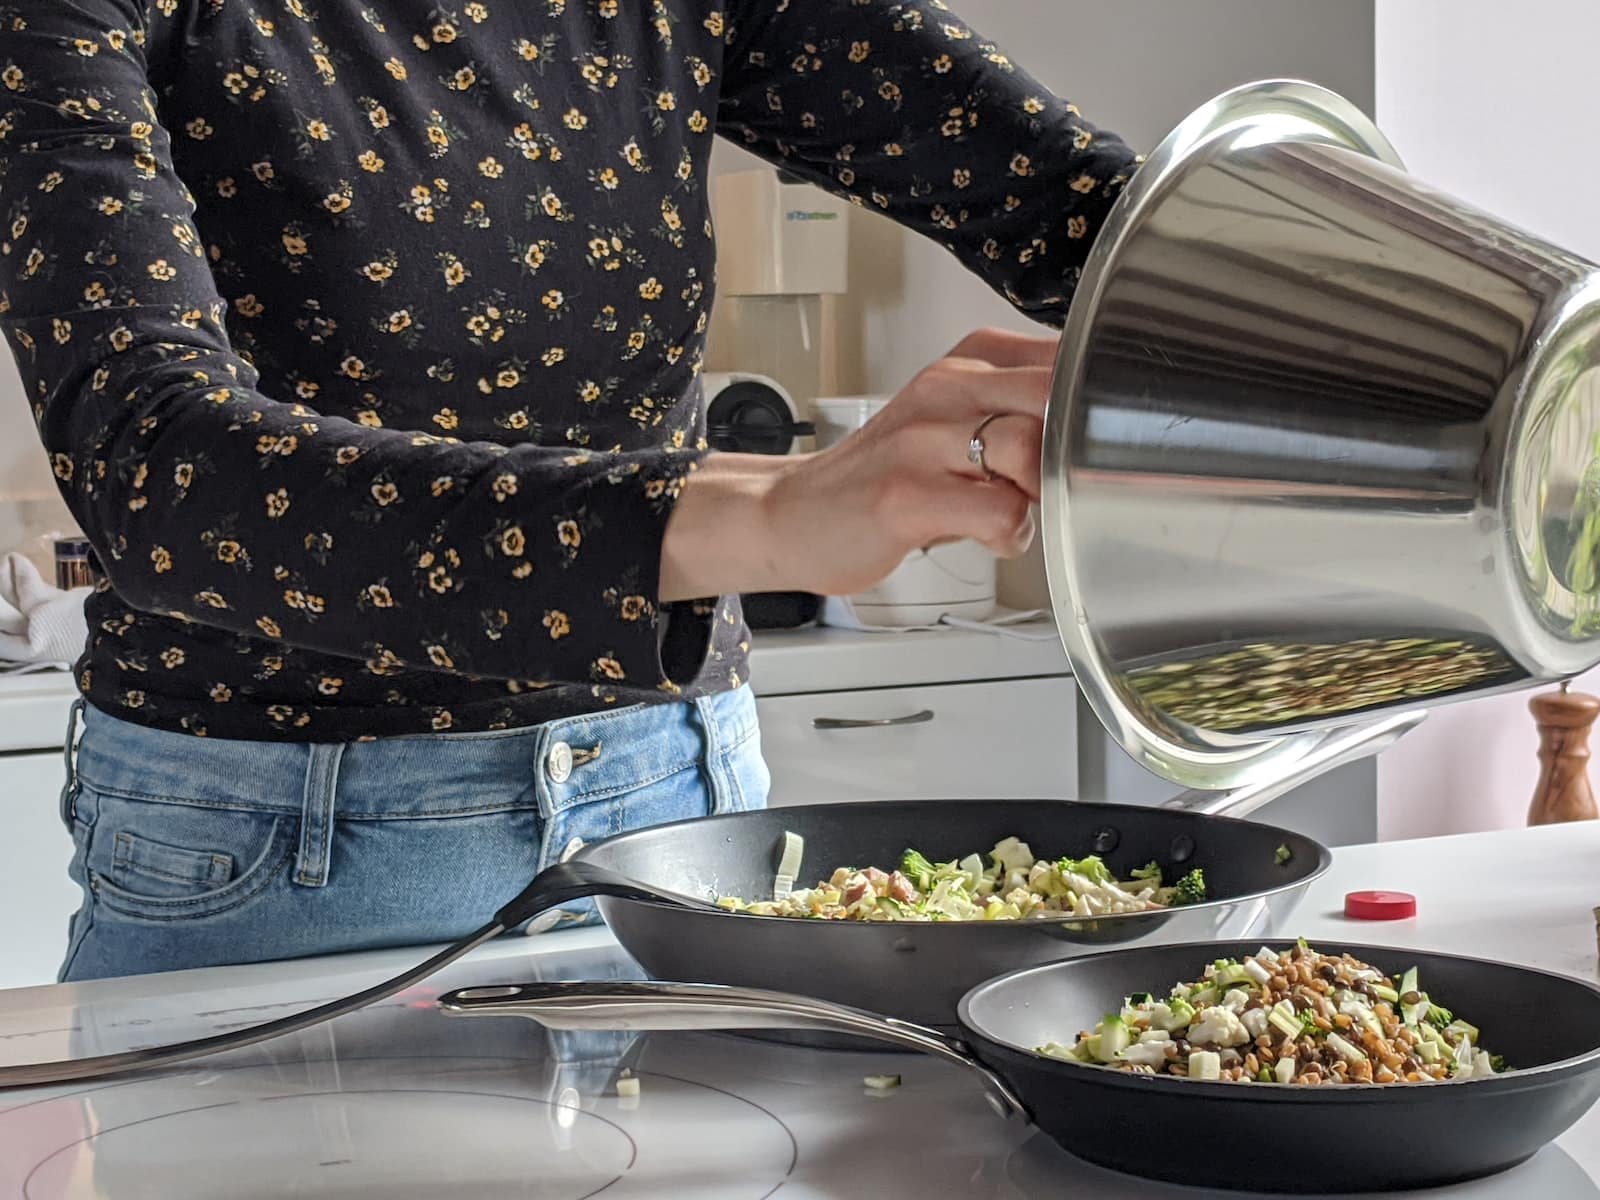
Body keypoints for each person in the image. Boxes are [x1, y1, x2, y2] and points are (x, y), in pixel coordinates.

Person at [0, 0, 1140, 980]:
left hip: (678, 799)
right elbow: (157, 469)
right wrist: (769, 515)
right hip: (277, 843)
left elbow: (1089, 213)